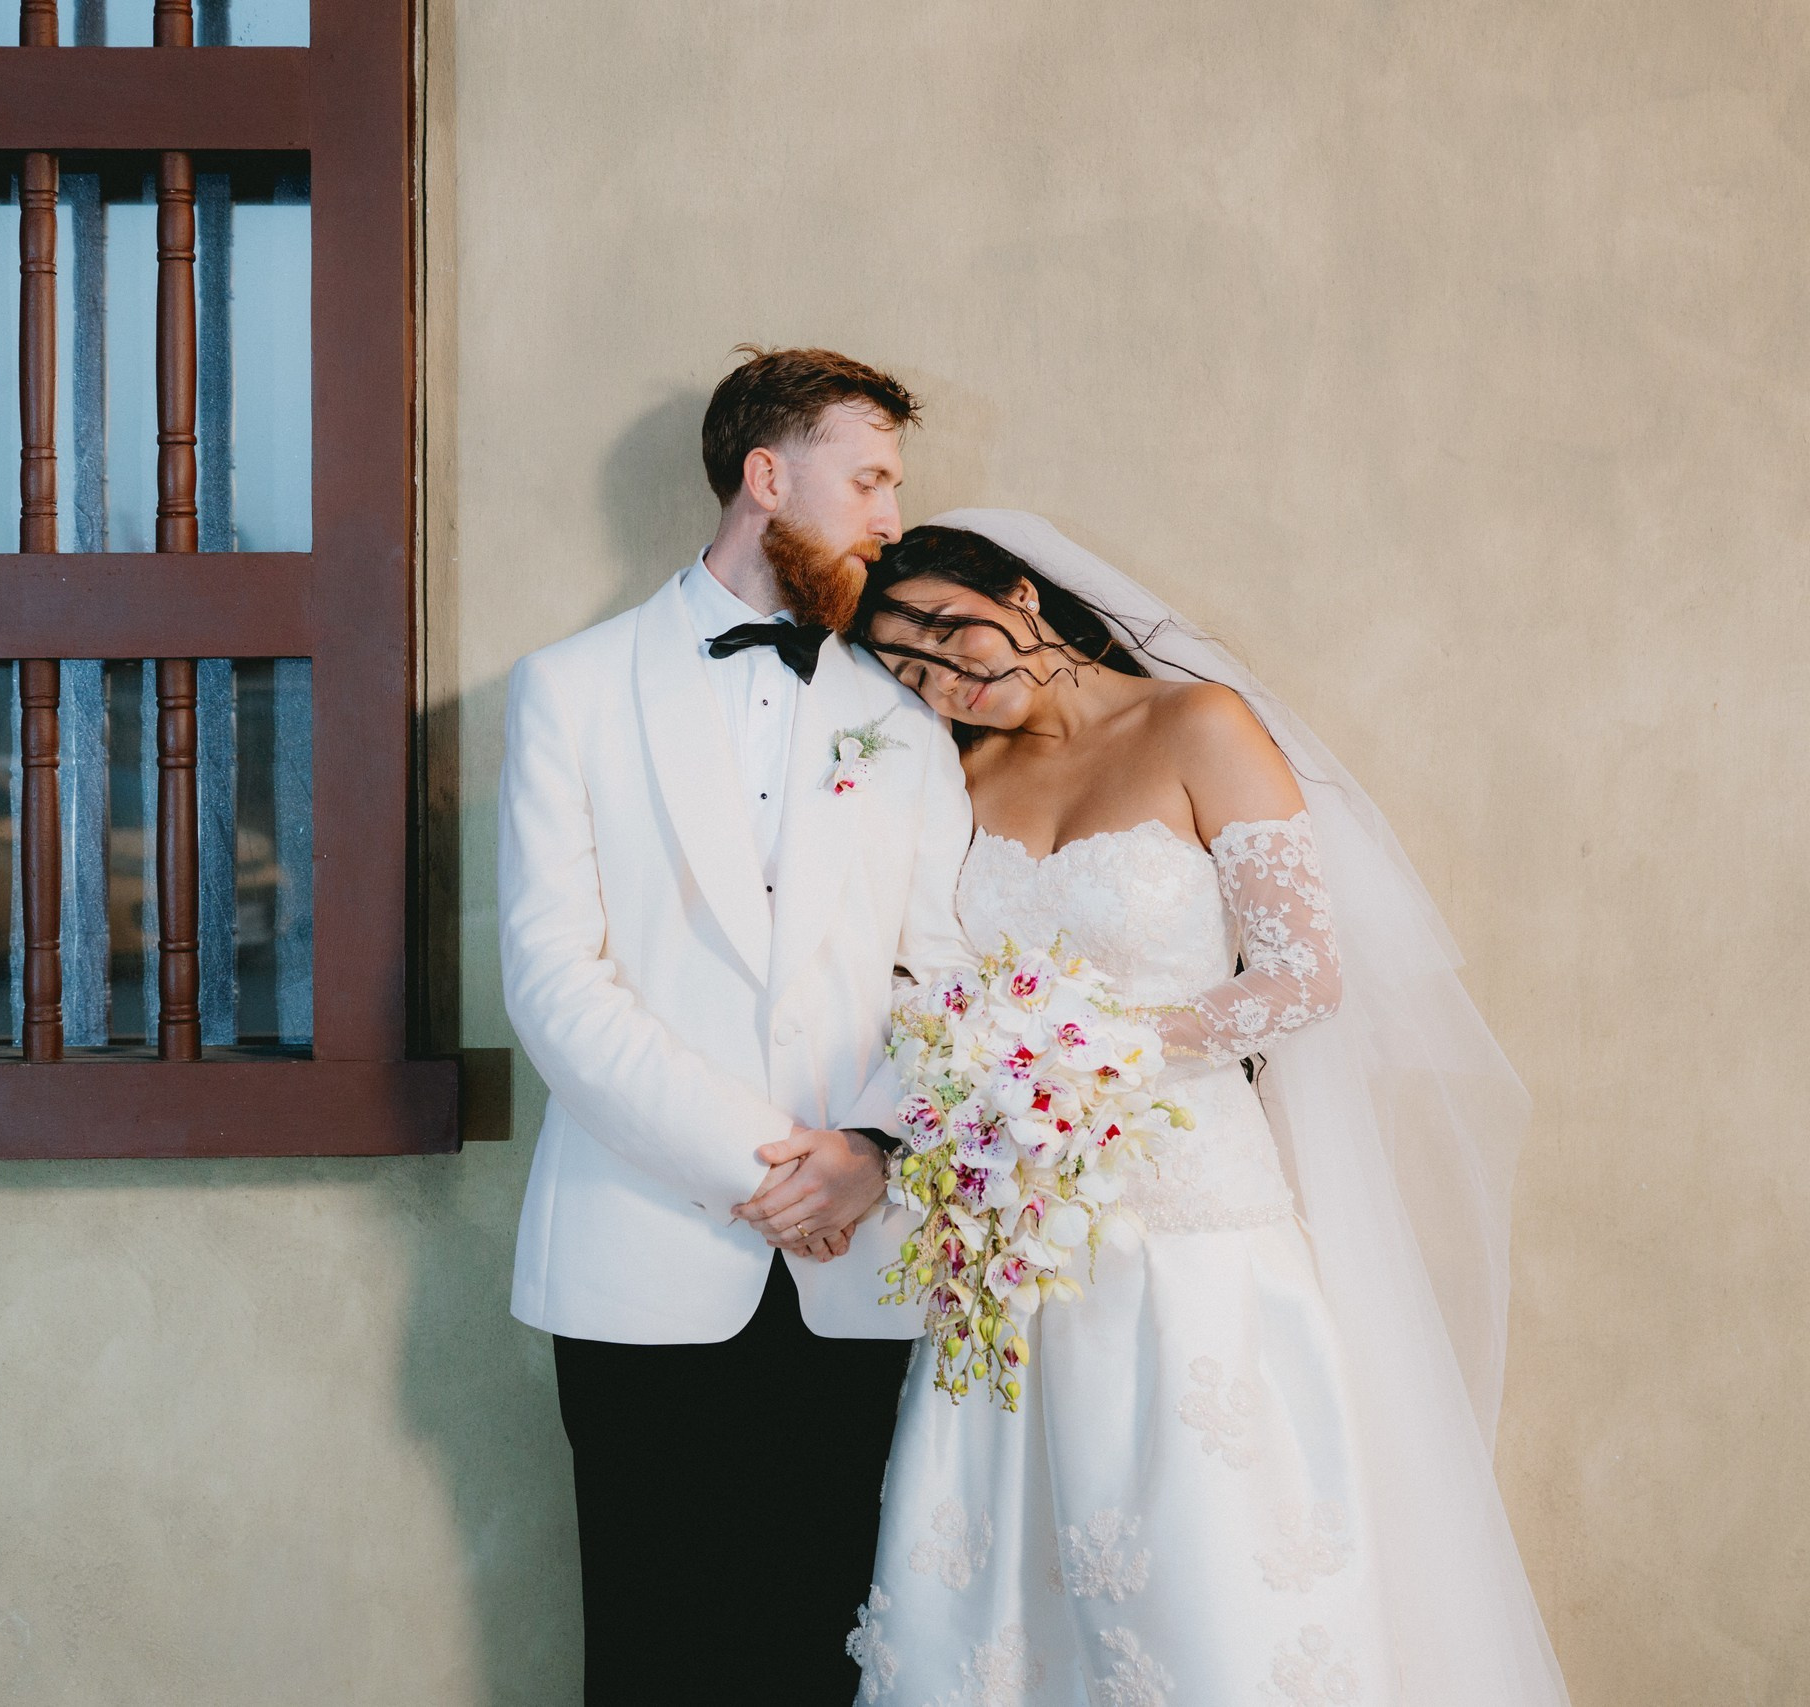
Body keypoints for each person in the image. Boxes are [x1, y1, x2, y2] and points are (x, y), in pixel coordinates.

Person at [842, 514, 1570, 1705]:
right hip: (1022, 1239)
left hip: (1196, 1223)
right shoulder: (956, 776)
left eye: (945, 629)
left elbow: (1301, 980)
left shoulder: (1198, 727)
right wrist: (990, 1074)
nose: (944, 678)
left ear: (1018, 593)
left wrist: (1078, 1055)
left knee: (1208, 1567)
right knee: (1007, 1589)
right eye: (909, 668)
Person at [497, 348, 971, 1704]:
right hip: (644, 1252)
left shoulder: (905, 722)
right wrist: (776, 1166)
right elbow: (557, 981)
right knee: (656, 1647)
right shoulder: (570, 689)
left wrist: (871, 1148)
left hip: (857, 1266)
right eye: (869, 478)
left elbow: (947, 979)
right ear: (767, 476)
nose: (891, 518)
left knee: (830, 1643)